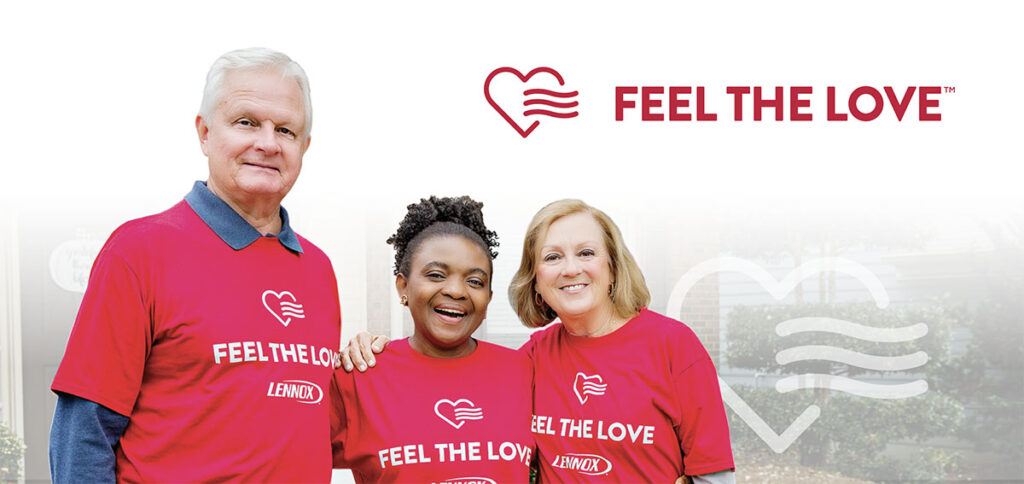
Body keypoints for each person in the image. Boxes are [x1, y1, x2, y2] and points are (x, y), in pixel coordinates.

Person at [48, 47, 341, 482]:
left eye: (286, 130)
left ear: (304, 147)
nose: (267, 142)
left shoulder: (317, 269)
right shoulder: (139, 252)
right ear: (204, 132)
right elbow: (83, 433)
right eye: (246, 122)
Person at [345, 199, 735, 483]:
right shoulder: (529, 361)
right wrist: (375, 349)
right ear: (536, 281)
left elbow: (713, 474)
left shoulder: (673, 346)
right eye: (552, 258)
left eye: (586, 253)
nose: (571, 269)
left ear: (612, 267)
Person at [330, 196, 533, 482]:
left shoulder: (523, 372)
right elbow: (283, 457)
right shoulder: (359, 375)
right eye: (436, 275)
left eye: (475, 281)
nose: (456, 291)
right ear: (403, 285)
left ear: (488, 299)